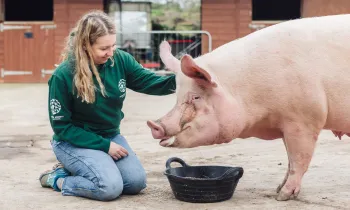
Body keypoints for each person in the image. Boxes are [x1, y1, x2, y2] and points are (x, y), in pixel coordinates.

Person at [39, 10, 176, 201]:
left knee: (135, 183)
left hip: (109, 135)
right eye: (104, 48)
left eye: (113, 45)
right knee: (108, 188)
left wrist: (186, 79)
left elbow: (150, 82)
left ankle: (85, 168)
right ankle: (58, 179)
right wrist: (104, 146)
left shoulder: (120, 59)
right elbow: (62, 127)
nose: (111, 53)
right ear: (86, 46)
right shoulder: (63, 75)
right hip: (73, 142)